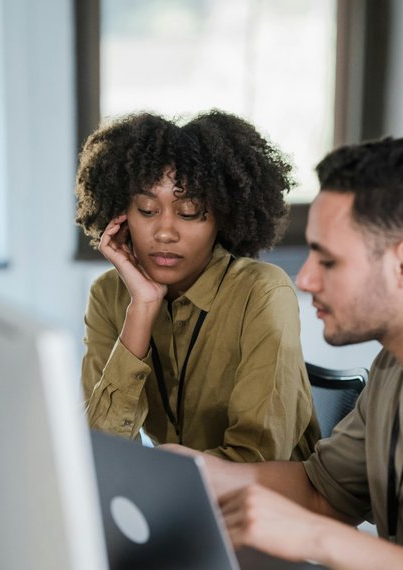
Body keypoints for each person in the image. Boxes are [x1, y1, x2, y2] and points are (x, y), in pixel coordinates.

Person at [163, 136, 403, 569]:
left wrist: (313, 537)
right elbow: (324, 493)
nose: (304, 279)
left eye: (328, 261)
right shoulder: (395, 363)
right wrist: (196, 474)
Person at [75, 110, 320, 462]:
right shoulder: (108, 295)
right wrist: (141, 308)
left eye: (189, 211)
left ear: (222, 215)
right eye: (146, 209)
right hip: (176, 500)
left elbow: (257, 460)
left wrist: (167, 479)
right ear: (121, 214)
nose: (164, 232)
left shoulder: (262, 293)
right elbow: (101, 454)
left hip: (266, 504)